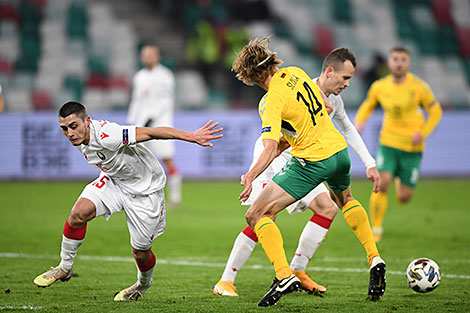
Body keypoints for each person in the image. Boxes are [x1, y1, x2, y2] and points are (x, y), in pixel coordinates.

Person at [213, 47, 381, 298]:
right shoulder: (297, 72)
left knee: (258, 214)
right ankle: (374, 257)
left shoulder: (269, 101)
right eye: (345, 78)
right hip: (333, 152)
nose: (346, 83)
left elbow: (270, 147)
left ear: (250, 76)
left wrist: (250, 176)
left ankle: (286, 274)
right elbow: (326, 107)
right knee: (334, 203)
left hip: (301, 159)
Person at [33, 101, 223, 301]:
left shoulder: (108, 135)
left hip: (145, 190)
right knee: (77, 214)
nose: (70, 133)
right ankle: (64, 267)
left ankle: (142, 283)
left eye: (74, 126)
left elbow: (151, 133)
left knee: (140, 252)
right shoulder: (80, 139)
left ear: (87, 122)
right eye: (64, 129)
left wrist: (191, 136)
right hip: (114, 182)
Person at [355, 47, 442, 242]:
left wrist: (424, 132)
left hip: (412, 148)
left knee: (404, 197)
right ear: (389, 63)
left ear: (409, 64)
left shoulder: (419, 87)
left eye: (403, 59)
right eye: (395, 59)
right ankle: (376, 228)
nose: (399, 63)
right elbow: (368, 104)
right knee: (381, 183)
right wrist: (360, 121)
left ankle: (399, 180)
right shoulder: (379, 87)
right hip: (388, 142)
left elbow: (436, 112)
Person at [127, 45, 182, 208]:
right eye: (144, 55)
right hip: (141, 125)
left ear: (157, 57)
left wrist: (151, 118)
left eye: (150, 55)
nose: (147, 57)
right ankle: (143, 197)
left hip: (161, 124)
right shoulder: (139, 76)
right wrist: (131, 121)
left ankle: (175, 198)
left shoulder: (165, 75)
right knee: (140, 160)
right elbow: (136, 101)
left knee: (167, 159)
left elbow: (166, 100)